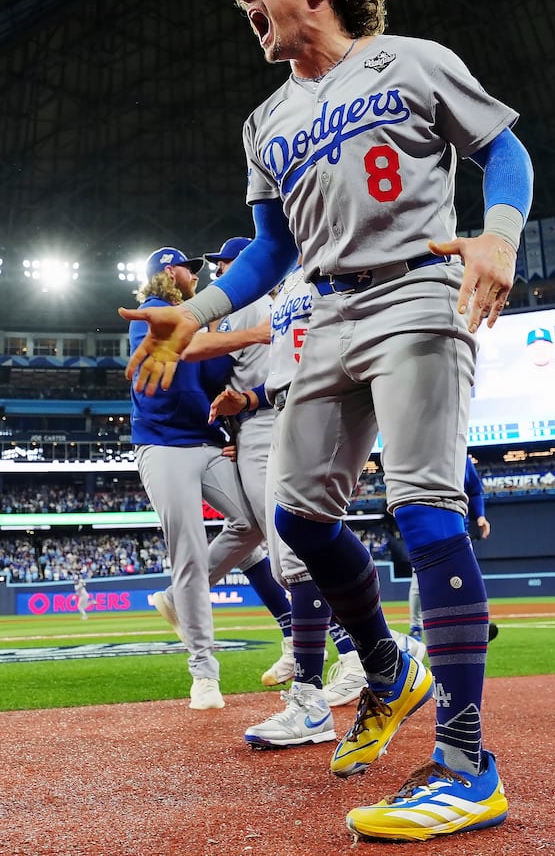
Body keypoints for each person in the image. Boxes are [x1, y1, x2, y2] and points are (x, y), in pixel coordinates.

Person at [121, 0, 532, 842]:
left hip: (420, 291)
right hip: (330, 311)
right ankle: (388, 666)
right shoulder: (264, 121)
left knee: (425, 506)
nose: (244, 3)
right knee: (300, 519)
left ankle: (467, 763)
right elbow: (272, 248)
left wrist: (498, 233)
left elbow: (504, 149)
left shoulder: (412, 60)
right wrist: (201, 311)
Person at [208, 256, 426, 750]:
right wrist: (250, 401)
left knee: (301, 548)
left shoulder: (335, 266)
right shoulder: (285, 285)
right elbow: (287, 363)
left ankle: (316, 695)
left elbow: (341, 350)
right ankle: (383, 649)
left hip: (321, 406)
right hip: (283, 409)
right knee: (290, 561)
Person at [129, 246, 289, 710]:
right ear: (167, 273)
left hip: (207, 441)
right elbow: (185, 347)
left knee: (254, 522)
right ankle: (203, 671)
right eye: (187, 269)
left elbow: (221, 380)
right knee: (188, 549)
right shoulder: (156, 312)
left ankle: (178, 599)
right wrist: (253, 333)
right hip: (162, 445)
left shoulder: (209, 322)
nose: (195, 276)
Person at [409, 457, 499, 642]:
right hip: (427, 526)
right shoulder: (422, 450)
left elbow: (475, 490)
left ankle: (475, 625)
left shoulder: (462, 456)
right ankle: (416, 628)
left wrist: (480, 515)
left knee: (468, 578)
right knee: (420, 580)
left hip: (459, 528)